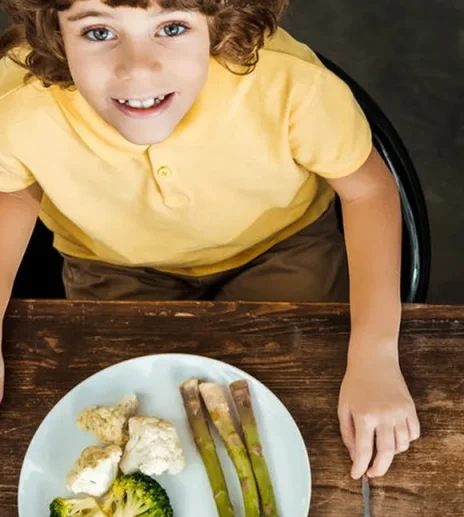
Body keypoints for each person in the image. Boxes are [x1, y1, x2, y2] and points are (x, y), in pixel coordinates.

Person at [0, 0, 418, 479]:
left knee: (296, 410)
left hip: (282, 248)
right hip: (111, 265)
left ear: (220, 19)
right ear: (53, 30)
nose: (138, 69)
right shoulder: (16, 102)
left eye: (172, 27)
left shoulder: (291, 85)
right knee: (126, 429)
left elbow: (368, 191)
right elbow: (10, 190)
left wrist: (376, 353)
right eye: (98, 33)